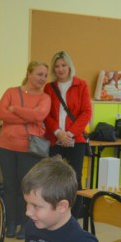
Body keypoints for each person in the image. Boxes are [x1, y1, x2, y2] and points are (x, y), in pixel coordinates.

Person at [0, 60, 51, 239]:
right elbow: (2, 114)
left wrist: (16, 109)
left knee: (27, 189)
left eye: (45, 75)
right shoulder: (11, 92)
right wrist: (29, 116)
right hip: (7, 147)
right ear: (29, 74)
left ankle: (25, 224)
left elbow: (39, 115)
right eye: (39, 74)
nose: (43, 78)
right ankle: (11, 223)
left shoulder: (45, 98)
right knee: (9, 187)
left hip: (30, 149)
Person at [44, 51, 92, 218]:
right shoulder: (49, 88)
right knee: (55, 178)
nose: (60, 69)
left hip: (76, 141)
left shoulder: (81, 85)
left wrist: (69, 134)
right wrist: (58, 132)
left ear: (69, 66)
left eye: (63, 65)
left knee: (74, 179)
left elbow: (86, 112)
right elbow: (46, 114)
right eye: (57, 66)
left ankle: (73, 217)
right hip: (55, 140)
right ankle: (56, 215)